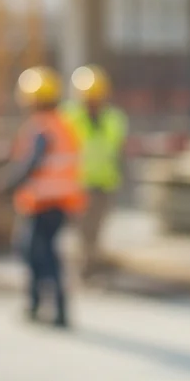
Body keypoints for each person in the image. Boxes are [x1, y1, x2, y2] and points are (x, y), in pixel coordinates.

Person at [2, 67, 86, 328]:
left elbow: (31, 164)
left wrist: (5, 185)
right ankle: (49, 306)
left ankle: (44, 305)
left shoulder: (41, 128)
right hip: (60, 202)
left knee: (37, 254)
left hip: (42, 204)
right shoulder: (63, 123)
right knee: (45, 253)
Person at [61, 65, 127, 283]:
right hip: (79, 185)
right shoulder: (69, 118)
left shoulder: (114, 119)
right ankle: (85, 269)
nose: (92, 101)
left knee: (95, 230)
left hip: (104, 183)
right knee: (83, 231)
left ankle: (89, 268)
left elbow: (117, 151)